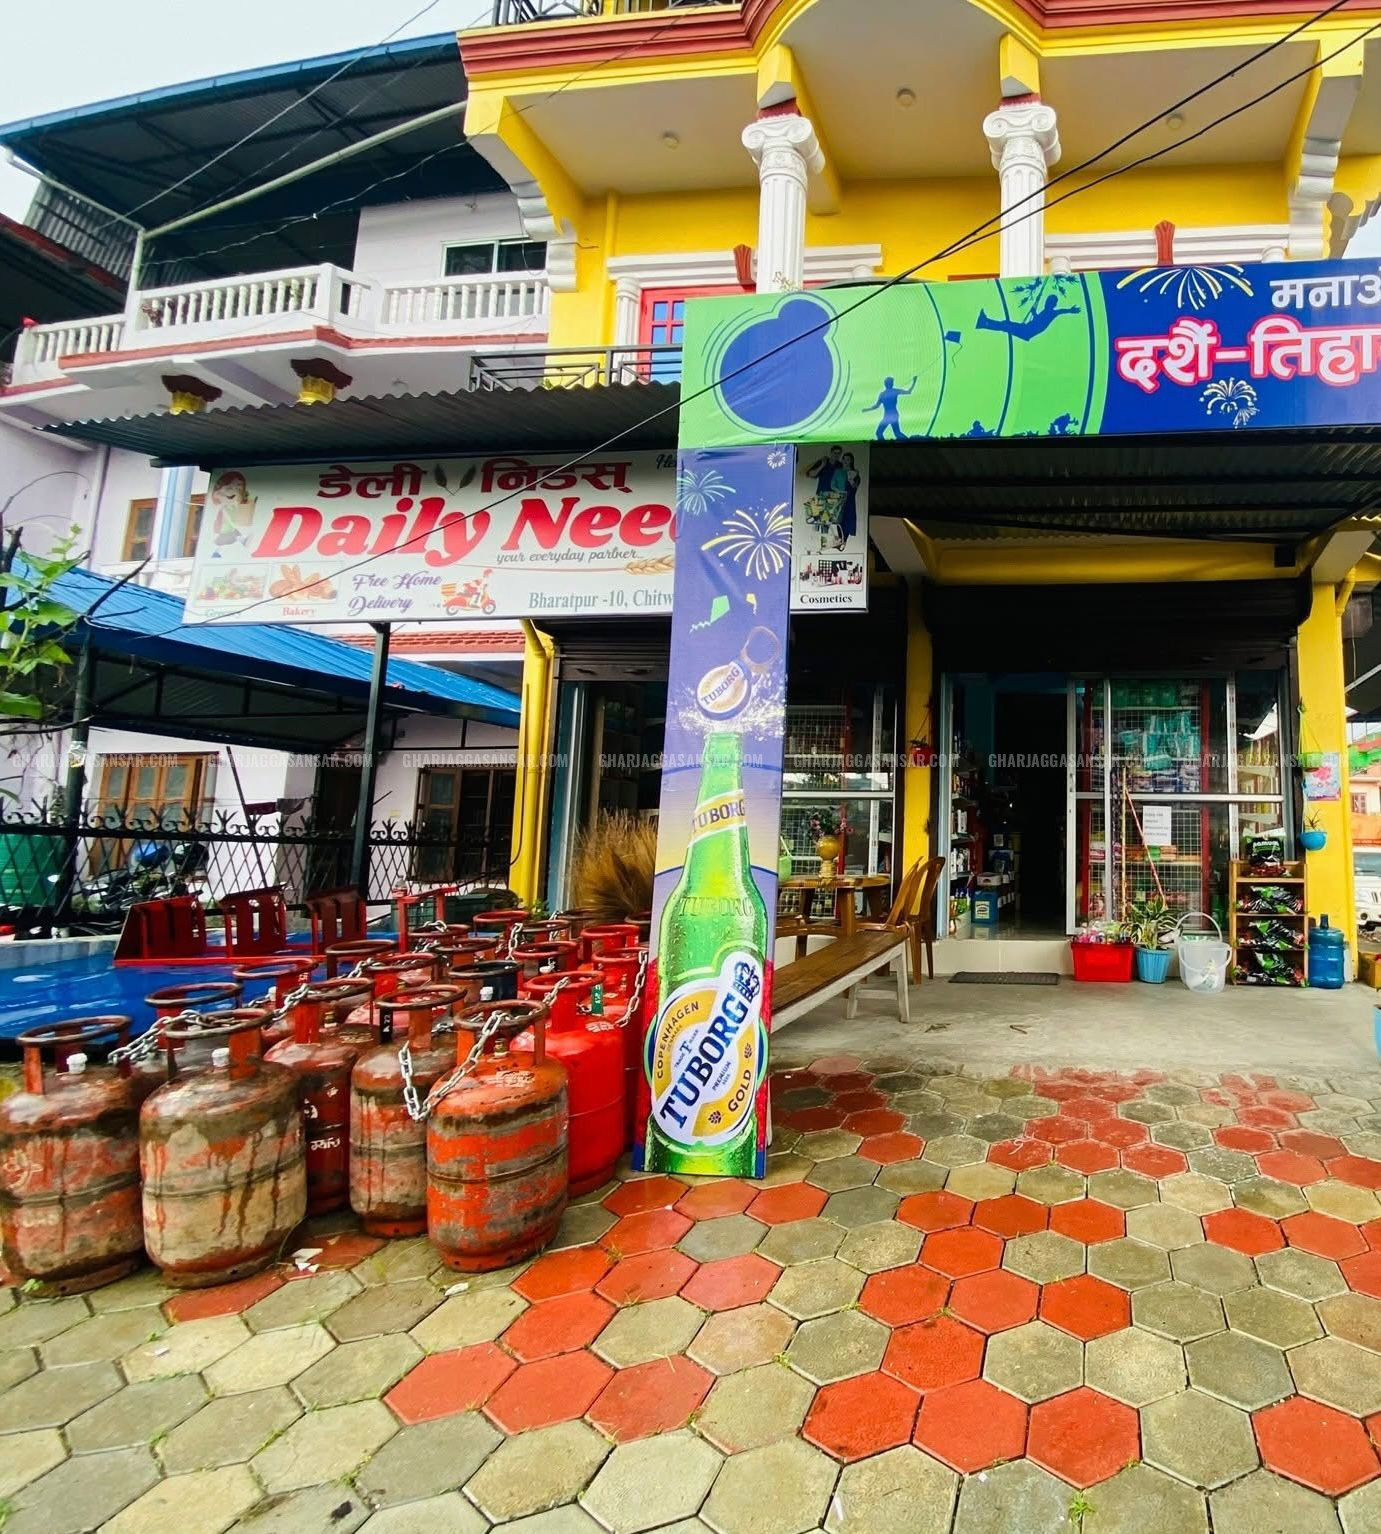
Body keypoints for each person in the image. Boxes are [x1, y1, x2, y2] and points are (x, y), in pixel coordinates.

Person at [837, 453, 861, 550]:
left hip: (849, 499)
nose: (846, 461)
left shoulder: (854, 473)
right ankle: (840, 539)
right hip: (839, 498)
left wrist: (851, 478)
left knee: (848, 518)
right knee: (839, 519)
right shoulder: (839, 472)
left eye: (848, 459)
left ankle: (844, 540)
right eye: (845, 459)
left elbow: (855, 486)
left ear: (851, 461)